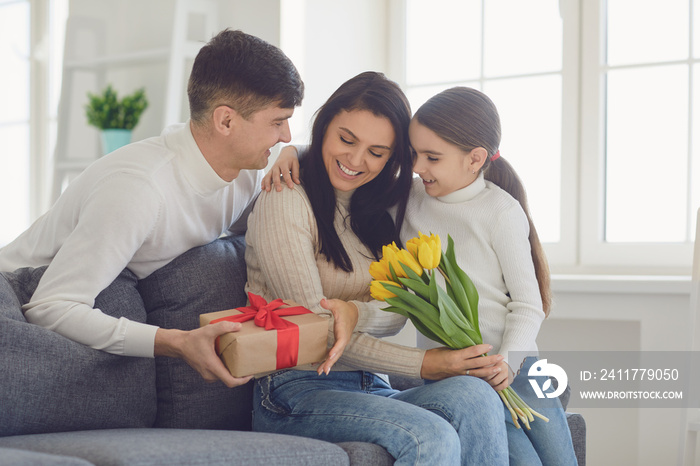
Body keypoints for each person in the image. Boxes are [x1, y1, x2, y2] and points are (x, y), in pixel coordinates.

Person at [266, 86, 577, 465]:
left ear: (475, 159)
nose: (417, 166)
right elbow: (373, 308)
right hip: (312, 383)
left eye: (430, 157)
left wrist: (508, 361)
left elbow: (527, 305)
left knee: (559, 458)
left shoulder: (497, 209)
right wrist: (294, 151)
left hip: (512, 364)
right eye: (414, 155)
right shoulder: (409, 199)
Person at [0, 29, 304, 389]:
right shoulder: (138, 190)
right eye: (277, 122)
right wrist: (176, 342)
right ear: (225, 121)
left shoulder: (245, 173)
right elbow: (49, 306)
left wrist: (296, 153)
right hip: (14, 303)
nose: (285, 135)